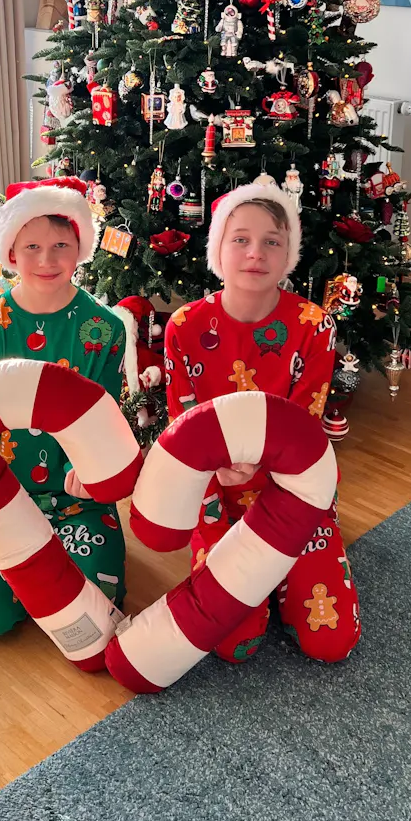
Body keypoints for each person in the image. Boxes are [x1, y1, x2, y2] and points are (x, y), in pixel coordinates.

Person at [163, 181, 362, 664]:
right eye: (241, 239)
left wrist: (260, 470)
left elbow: (305, 432)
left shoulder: (314, 326)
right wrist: (216, 472)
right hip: (214, 495)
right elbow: (182, 429)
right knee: (233, 644)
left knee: (331, 642)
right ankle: (261, 578)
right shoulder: (185, 327)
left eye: (272, 241)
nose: (256, 253)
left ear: (288, 253)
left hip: (292, 493)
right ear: (218, 249)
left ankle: (286, 575)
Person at [0, 177, 129, 638]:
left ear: (81, 248)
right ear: (12, 253)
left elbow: (105, 420)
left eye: (61, 246)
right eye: (32, 246)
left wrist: (91, 471)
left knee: (101, 605)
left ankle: (45, 574)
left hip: (76, 502)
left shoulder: (104, 329)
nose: (46, 260)